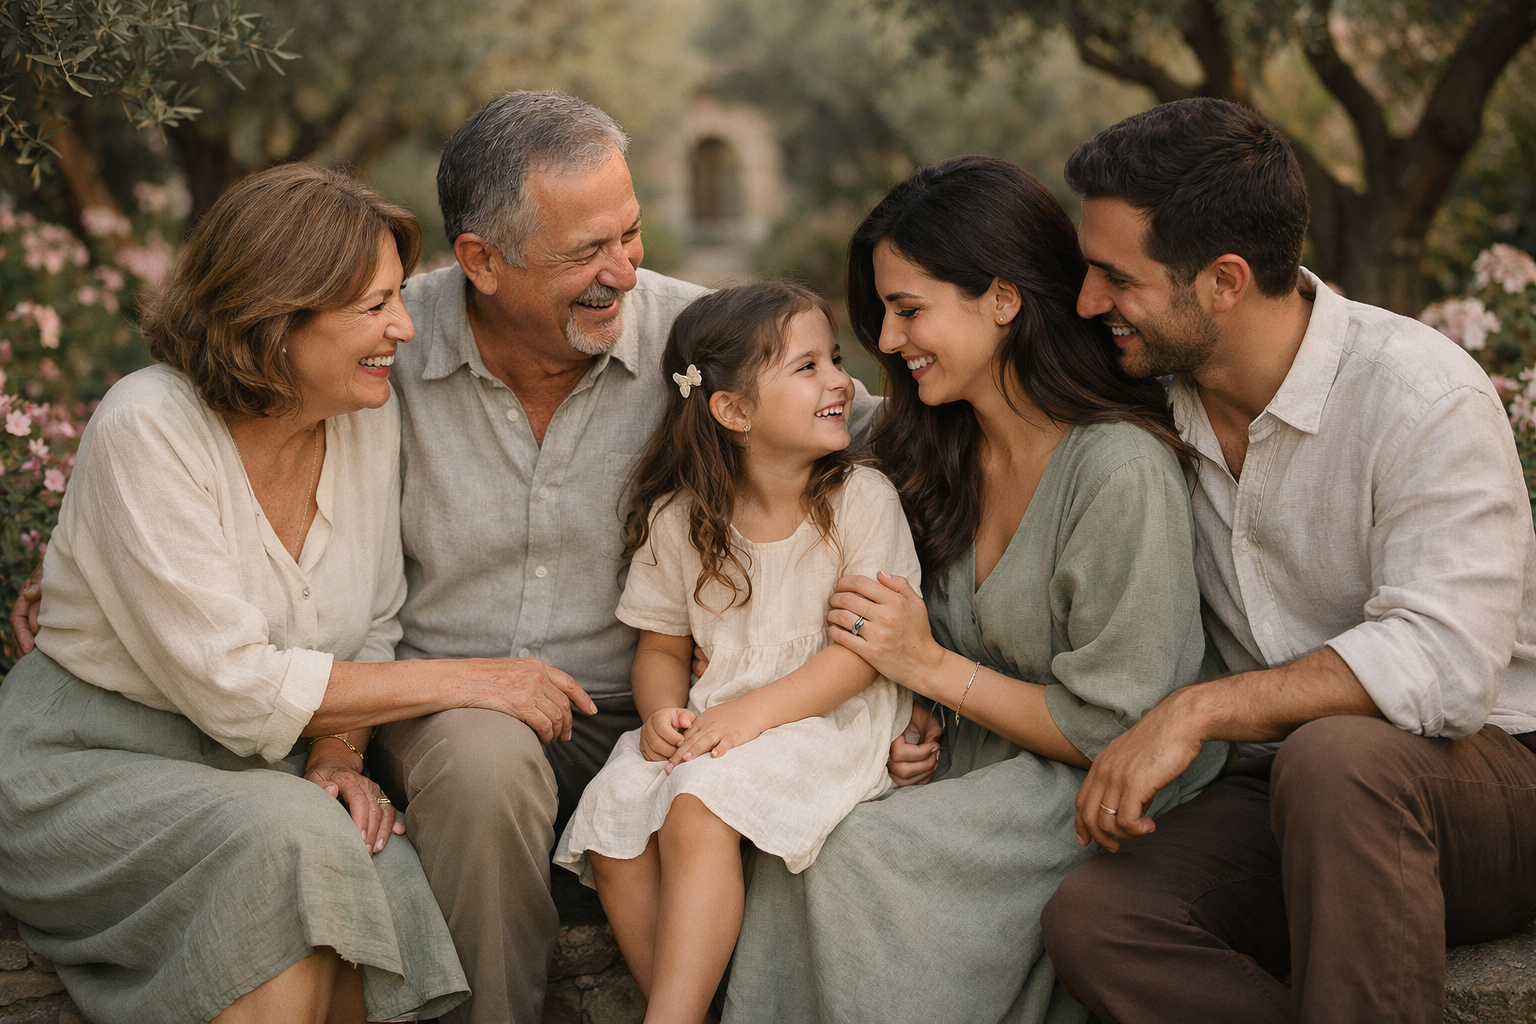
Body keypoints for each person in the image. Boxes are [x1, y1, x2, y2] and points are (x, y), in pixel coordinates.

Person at [0, 165, 597, 1024]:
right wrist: (478, 678)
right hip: (95, 767)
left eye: (399, 297)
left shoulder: (362, 417)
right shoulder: (149, 426)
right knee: (294, 849)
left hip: (271, 775)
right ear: (275, 319)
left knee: (375, 884)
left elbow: (372, 624)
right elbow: (236, 686)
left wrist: (335, 758)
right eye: (373, 306)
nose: (403, 327)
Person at [368, 91, 884, 1024]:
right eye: (584, 254)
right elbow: (245, 412)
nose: (623, 273)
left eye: (631, 234)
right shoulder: (388, 345)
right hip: (457, 707)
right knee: (485, 769)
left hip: (662, 713)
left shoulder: (705, 348)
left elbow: (882, 435)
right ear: (480, 260)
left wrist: (926, 675)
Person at [1040, 98, 1536, 1024]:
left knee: (1337, 760)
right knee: (1101, 918)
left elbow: (1448, 663)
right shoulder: (1146, 391)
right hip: (1282, 790)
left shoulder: (1419, 395)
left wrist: (1202, 708)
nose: (1087, 302)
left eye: (1116, 276)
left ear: (1224, 280)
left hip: (1494, 783)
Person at [722, 155, 1228, 1024]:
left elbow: (1117, 724)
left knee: (855, 857)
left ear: (1002, 299)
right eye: (882, 313)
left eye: (909, 310)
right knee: (787, 836)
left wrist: (927, 669)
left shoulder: (1119, 472)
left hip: (1098, 786)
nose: (885, 341)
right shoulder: (926, 450)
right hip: (966, 769)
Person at [554, 281, 920, 1023]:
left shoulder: (861, 500)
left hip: (830, 716)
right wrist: (661, 715)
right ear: (733, 411)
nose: (840, 382)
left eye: (835, 359)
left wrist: (751, 716)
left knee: (694, 806)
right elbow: (661, 647)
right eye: (807, 367)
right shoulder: (682, 518)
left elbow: (860, 655)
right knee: (613, 814)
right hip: (720, 720)